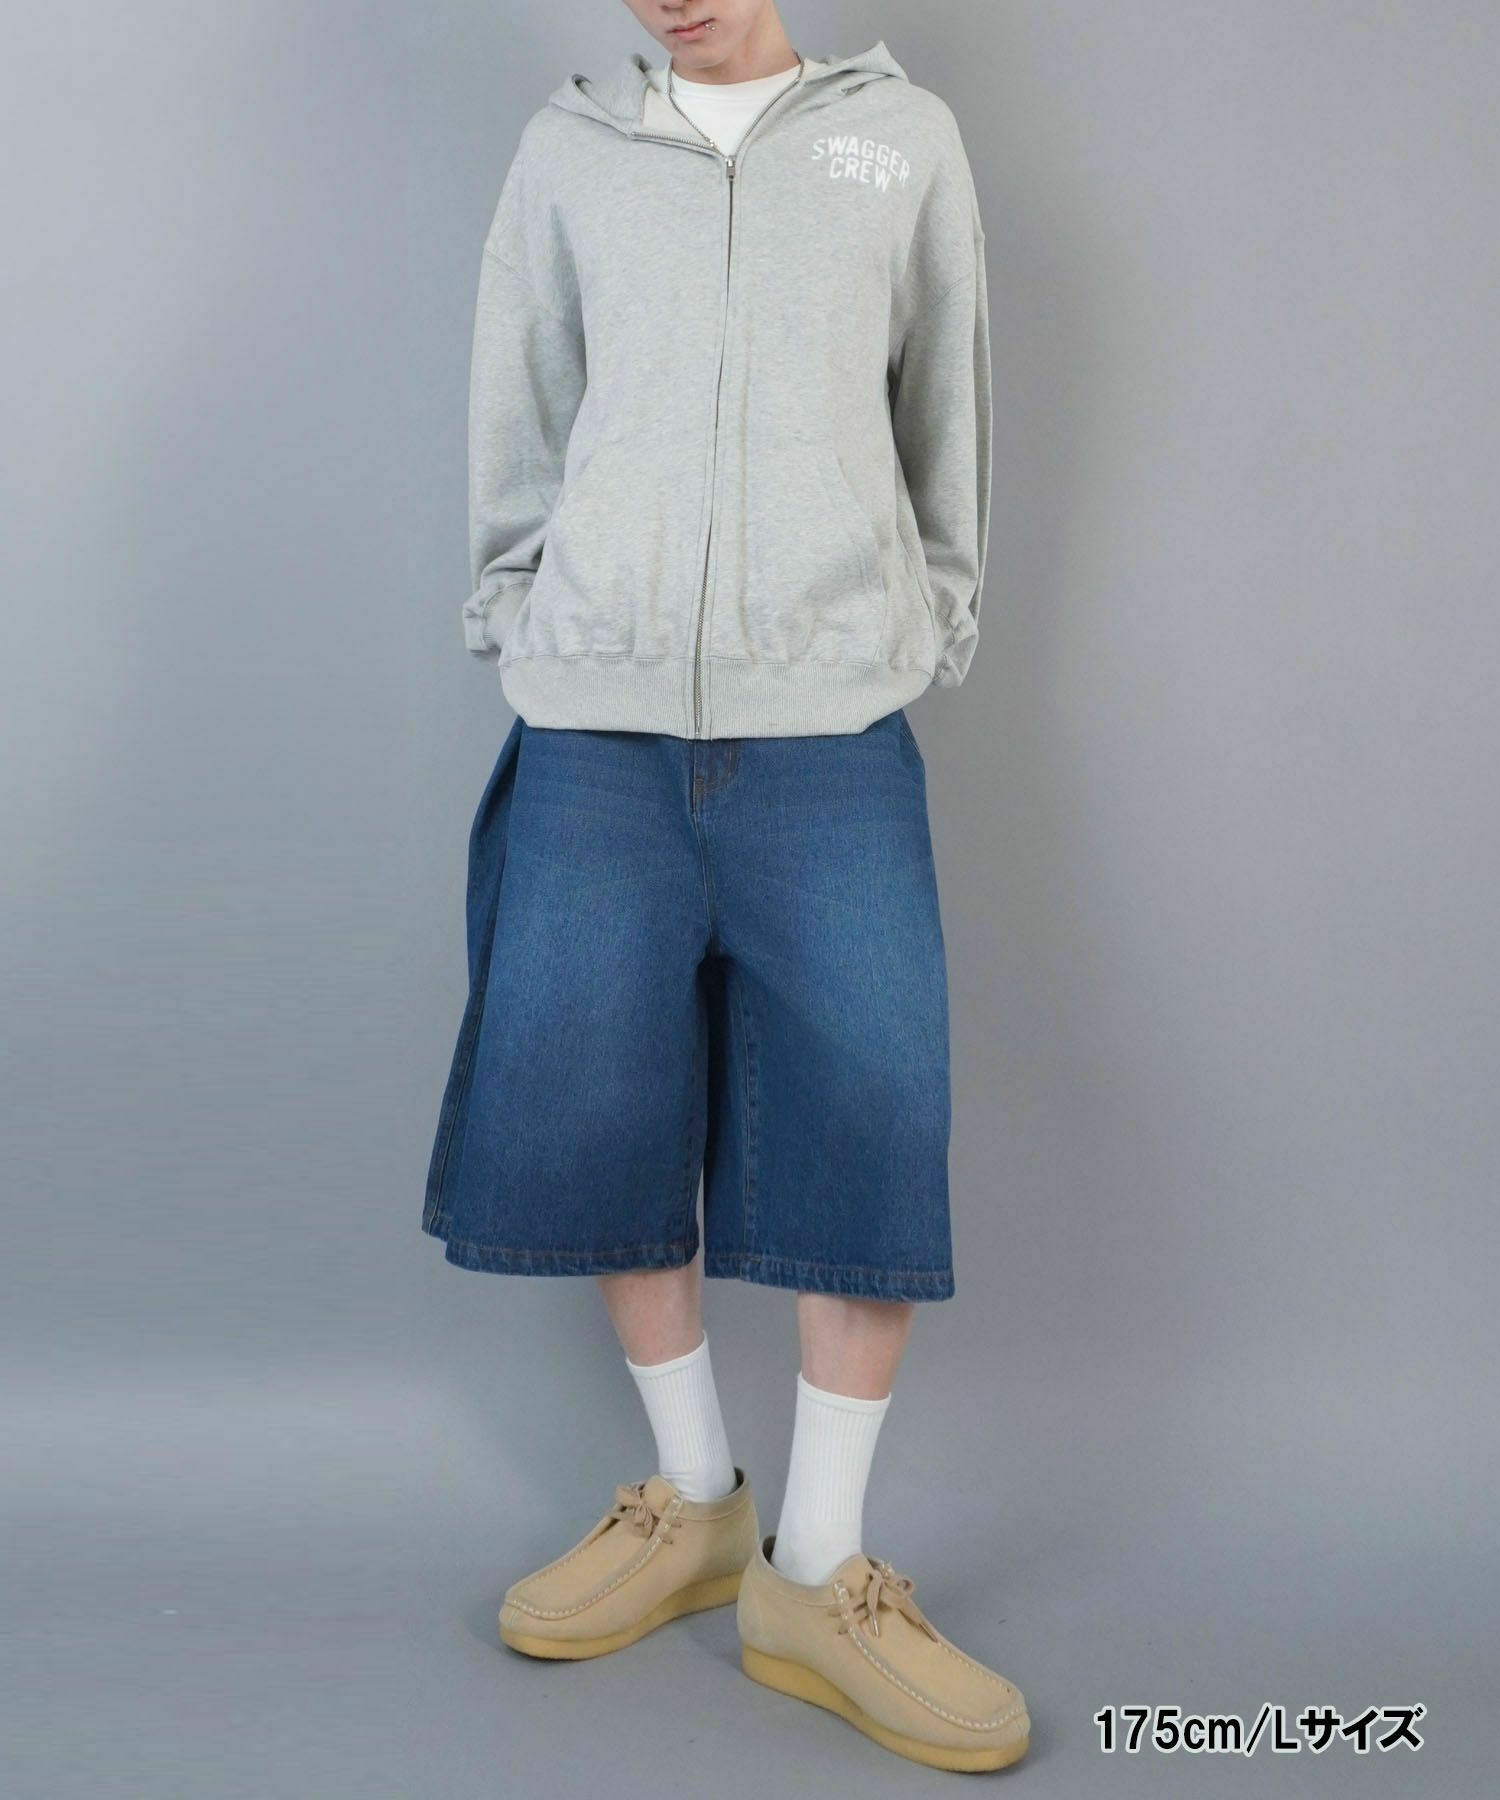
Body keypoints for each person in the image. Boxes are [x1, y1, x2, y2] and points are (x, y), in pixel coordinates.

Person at [422, 0, 1026, 1772]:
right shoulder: (569, 151)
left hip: (828, 723)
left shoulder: (899, 142)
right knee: (598, 1107)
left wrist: (917, 625)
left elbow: (949, 403)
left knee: (869, 1110)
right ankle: (691, 1501)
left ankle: (817, 1571)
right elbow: (520, 407)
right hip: (595, 727)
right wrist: (530, 622)